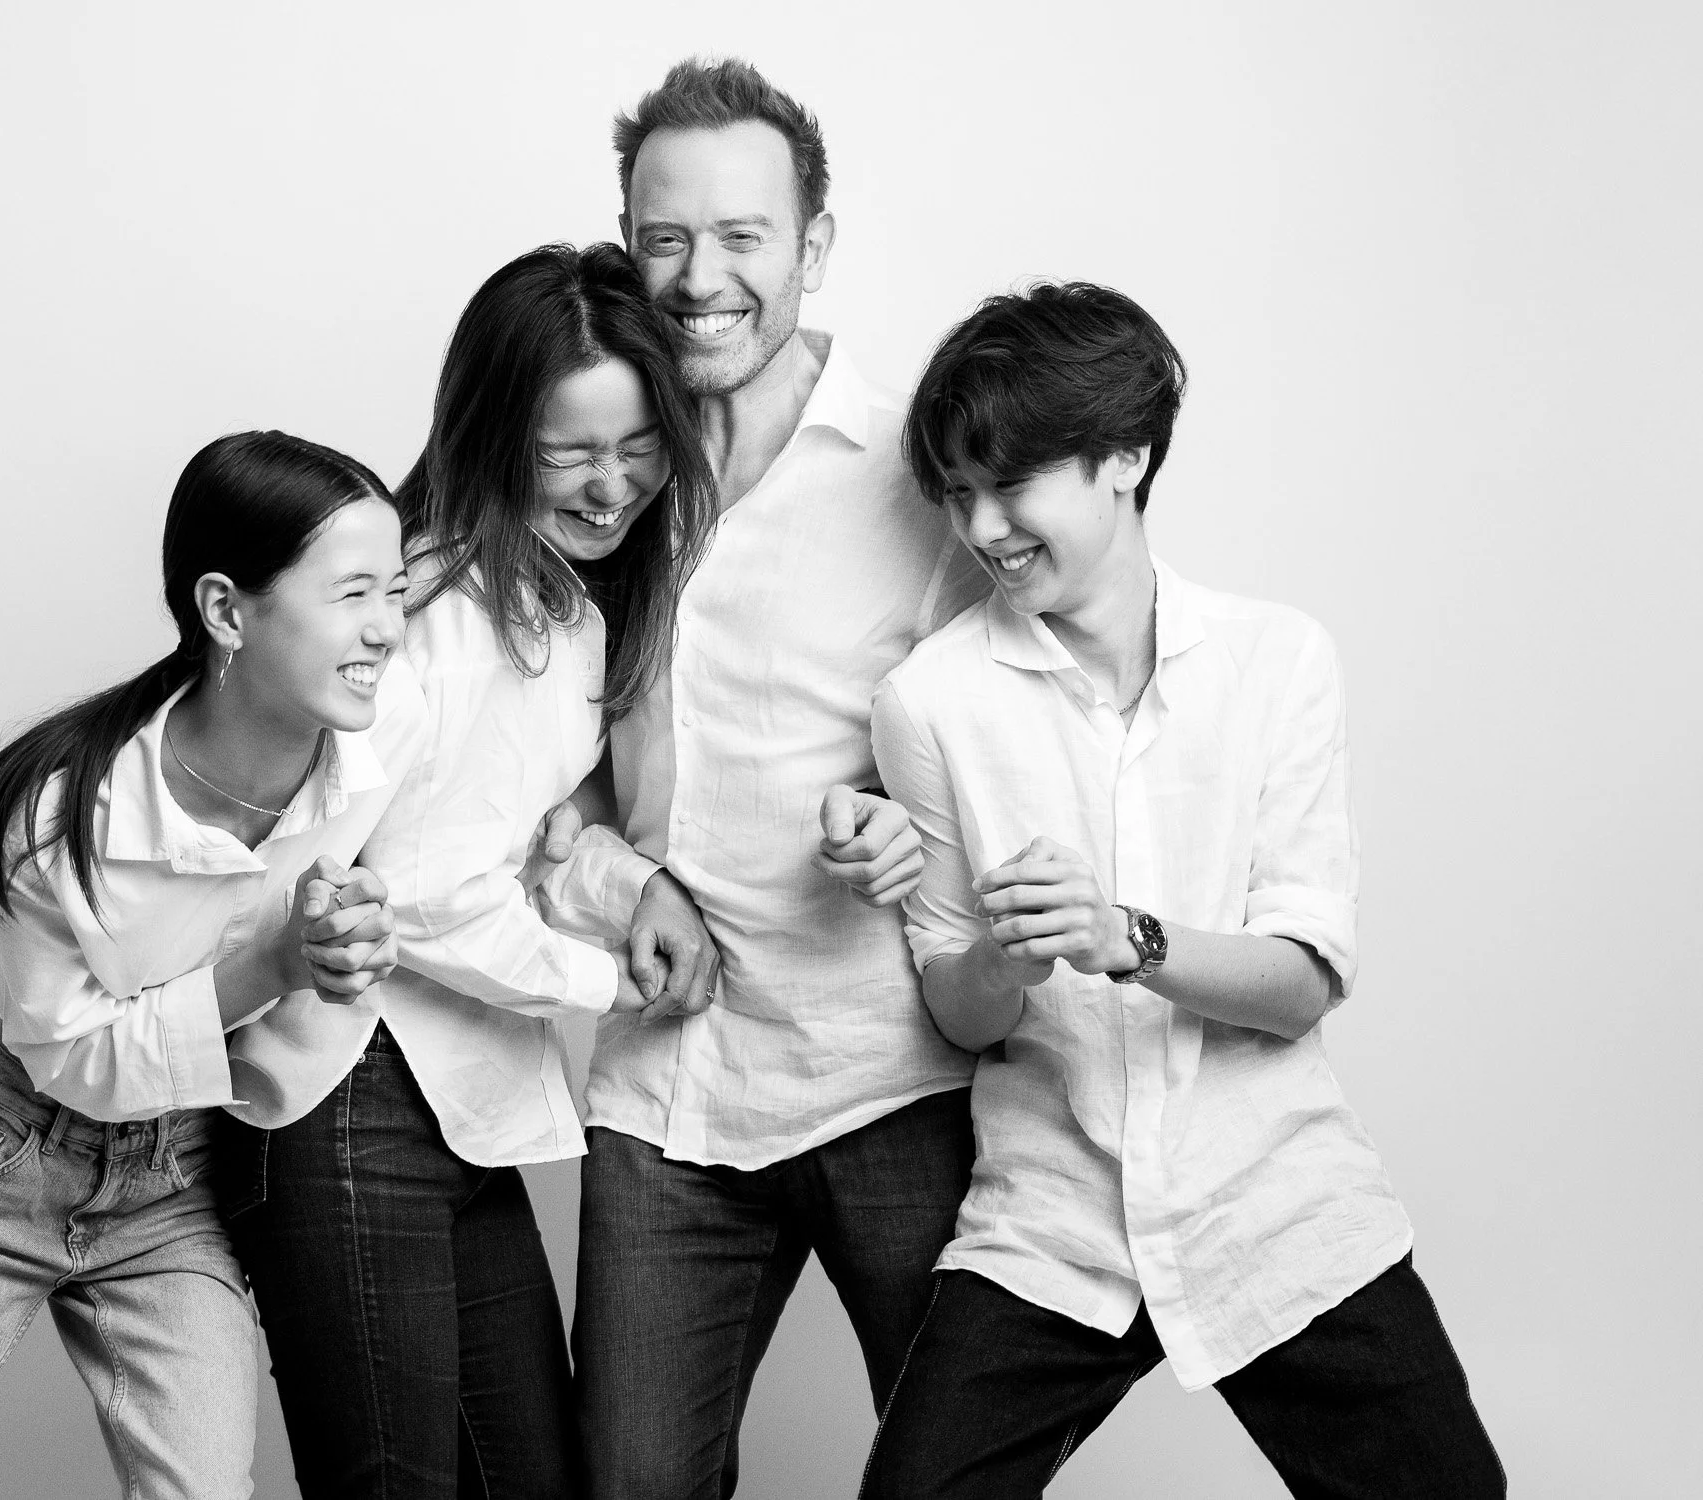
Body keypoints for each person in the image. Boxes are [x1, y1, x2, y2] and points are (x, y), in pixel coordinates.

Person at [859, 282, 1506, 1497]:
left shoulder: (1275, 661)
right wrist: (1001, 960)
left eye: (1011, 482)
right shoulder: (929, 702)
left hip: (1276, 1202)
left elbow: (1300, 984)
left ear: (1124, 456)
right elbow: (956, 1006)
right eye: (953, 491)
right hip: (1049, 1223)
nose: (980, 526)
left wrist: (1126, 937)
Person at [0, 431, 425, 1500]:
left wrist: (351, 937)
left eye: (397, 590)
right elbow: (78, 1061)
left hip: (179, 1178)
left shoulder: (384, 734)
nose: (387, 627)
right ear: (226, 610)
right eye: (352, 595)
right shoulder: (58, 814)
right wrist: (276, 963)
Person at [222, 243, 719, 1500]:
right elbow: (427, 895)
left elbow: (523, 839)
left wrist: (627, 893)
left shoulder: (558, 606)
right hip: (347, 1094)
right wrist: (607, 986)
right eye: (568, 452)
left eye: (639, 445)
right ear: (493, 437)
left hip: (446, 1099)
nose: (611, 487)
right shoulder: (445, 615)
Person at [566, 58, 990, 1499]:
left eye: (741, 236)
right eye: (665, 239)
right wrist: (626, 886)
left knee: (959, 1482)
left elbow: (1016, 757)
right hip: (665, 1087)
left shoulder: (922, 481)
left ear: (813, 244)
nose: (700, 280)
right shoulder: (597, 478)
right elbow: (534, 779)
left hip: (890, 1080)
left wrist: (910, 833)